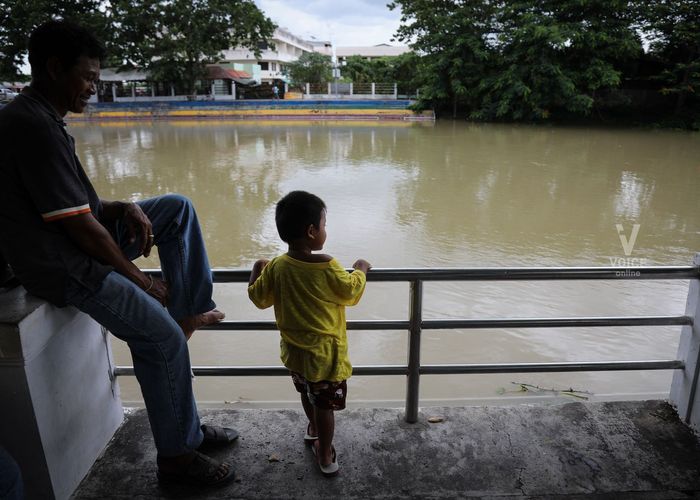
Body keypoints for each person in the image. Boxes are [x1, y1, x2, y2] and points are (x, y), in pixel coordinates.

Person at [0, 21, 237, 488]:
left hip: (72, 244)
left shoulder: (42, 118)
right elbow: (82, 229)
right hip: (65, 266)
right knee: (162, 341)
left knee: (175, 210)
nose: (93, 88)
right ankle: (177, 459)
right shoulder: (31, 127)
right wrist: (143, 281)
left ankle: (186, 314)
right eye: (88, 78)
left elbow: (80, 206)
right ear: (52, 69)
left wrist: (125, 206)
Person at [248, 190, 370, 477]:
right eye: (324, 225)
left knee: (306, 391)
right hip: (326, 356)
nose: (325, 231)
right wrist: (361, 269)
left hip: (296, 353)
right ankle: (325, 455)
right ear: (312, 231)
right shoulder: (327, 265)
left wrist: (257, 267)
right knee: (325, 405)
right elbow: (350, 291)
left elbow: (258, 298)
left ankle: (312, 428)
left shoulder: (277, 266)